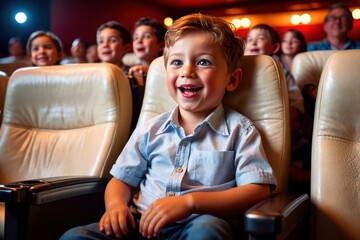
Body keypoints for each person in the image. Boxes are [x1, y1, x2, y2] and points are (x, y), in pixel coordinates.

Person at [60, 13, 276, 240]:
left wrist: (191, 203)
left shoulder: (240, 130)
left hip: (198, 224)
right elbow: (122, 179)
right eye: (177, 62)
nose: (187, 71)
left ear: (231, 79)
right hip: (140, 222)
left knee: (207, 231)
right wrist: (115, 207)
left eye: (203, 62)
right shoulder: (150, 129)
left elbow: (257, 190)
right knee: (75, 236)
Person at [127, 17, 167, 85]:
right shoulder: (131, 71)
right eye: (136, 38)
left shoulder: (166, 71)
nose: (139, 41)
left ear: (161, 45)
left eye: (146, 36)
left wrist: (149, 72)